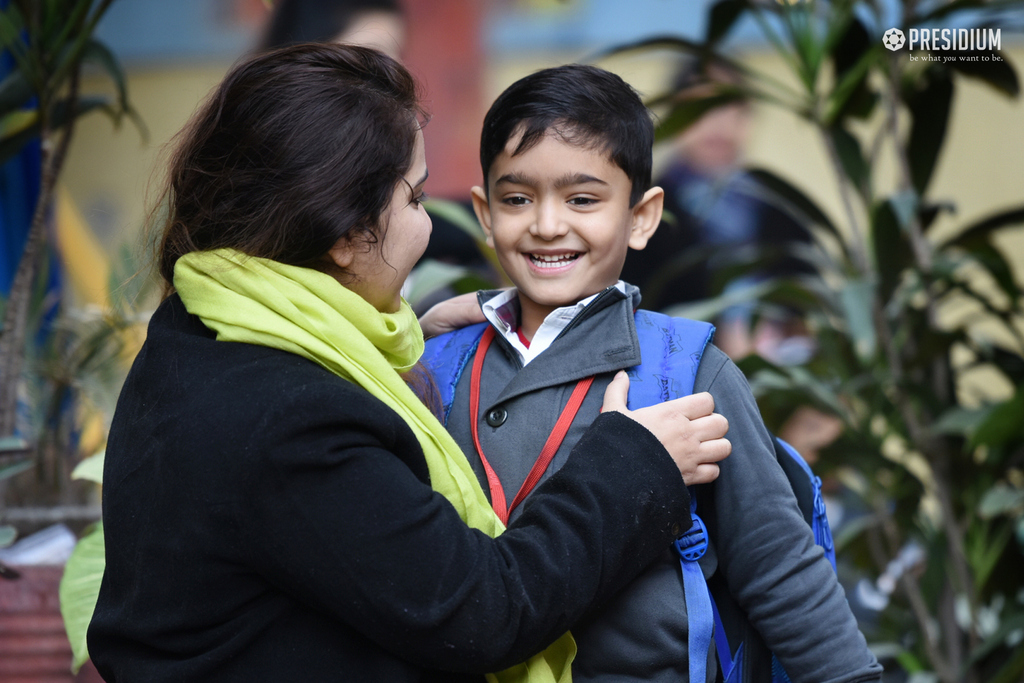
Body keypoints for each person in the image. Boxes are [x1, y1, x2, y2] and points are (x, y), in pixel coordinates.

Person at [85, 44, 733, 683]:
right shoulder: (294, 420)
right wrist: (632, 464)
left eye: (583, 199)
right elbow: (485, 610)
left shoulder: (200, 325)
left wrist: (381, 352)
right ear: (344, 238)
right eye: (417, 200)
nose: (428, 229)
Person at [423, 64, 882, 682]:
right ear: (484, 212)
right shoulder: (439, 366)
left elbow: (777, 564)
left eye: (583, 199)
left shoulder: (688, 371)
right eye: (517, 198)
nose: (547, 224)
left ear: (642, 217)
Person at [620, 59, 814, 363]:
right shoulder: (642, 213)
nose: (717, 122)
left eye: (729, 107)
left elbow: (809, 301)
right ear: (675, 117)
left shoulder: (783, 207)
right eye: (700, 108)